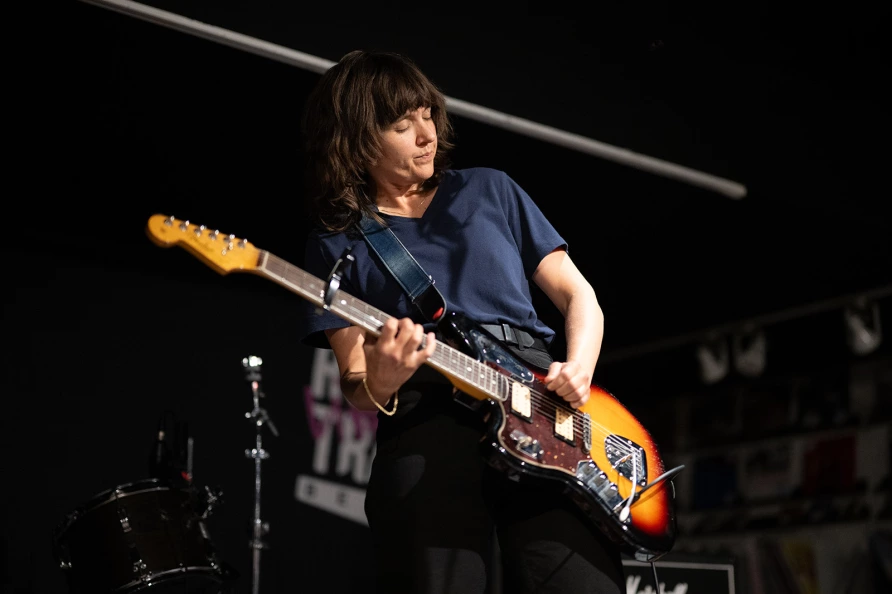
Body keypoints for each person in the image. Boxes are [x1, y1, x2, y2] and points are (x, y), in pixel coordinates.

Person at [298, 49, 623, 594]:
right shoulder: (337, 244)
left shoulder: (490, 189)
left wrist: (580, 367)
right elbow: (355, 382)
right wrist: (382, 377)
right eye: (403, 124)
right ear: (358, 140)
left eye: (427, 113)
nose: (427, 133)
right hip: (428, 424)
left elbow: (579, 295)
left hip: (543, 410)